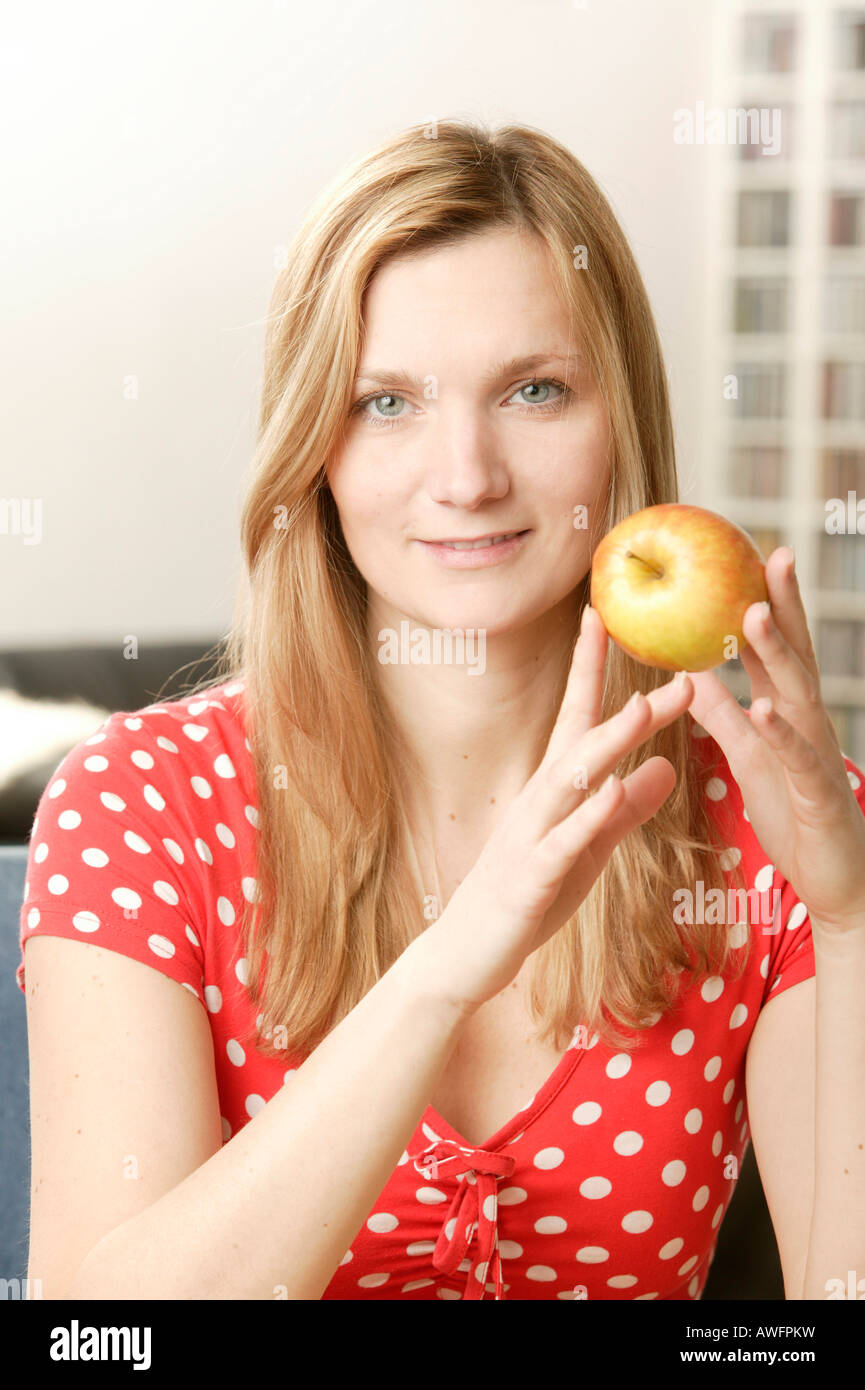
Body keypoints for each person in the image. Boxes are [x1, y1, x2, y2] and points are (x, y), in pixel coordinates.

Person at [18, 120, 865, 1302]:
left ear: (618, 419)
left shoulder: (771, 824)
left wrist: (852, 920)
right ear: (313, 444)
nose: (466, 475)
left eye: (534, 389)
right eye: (386, 403)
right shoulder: (138, 807)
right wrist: (447, 964)